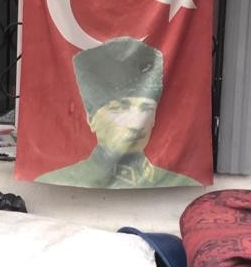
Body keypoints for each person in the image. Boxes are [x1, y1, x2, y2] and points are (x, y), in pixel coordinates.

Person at [36, 36, 199, 188]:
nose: (135, 124)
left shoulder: (180, 182)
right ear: (91, 117)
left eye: (146, 109)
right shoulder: (60, 180)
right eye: (120, 109)